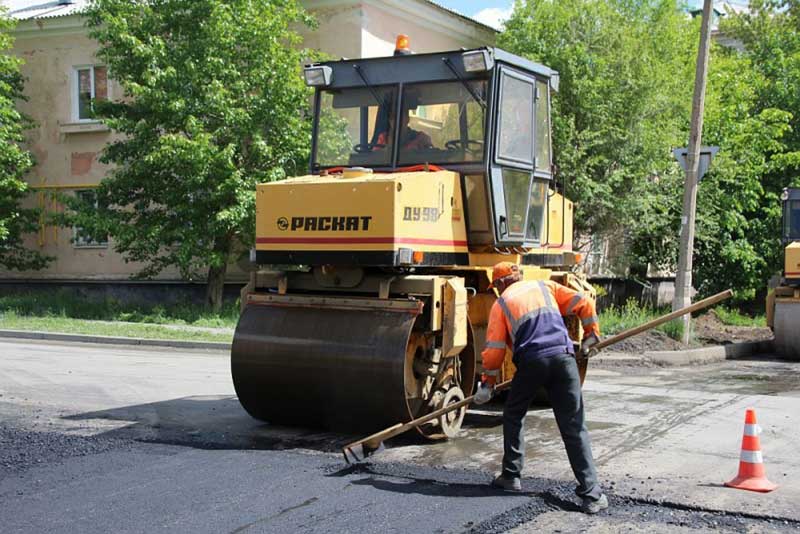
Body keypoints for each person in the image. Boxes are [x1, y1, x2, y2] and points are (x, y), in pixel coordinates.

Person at [473, 261, 608, 514]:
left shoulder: (501, 304)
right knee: (574, 426)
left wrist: (487, 384)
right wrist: (591, 334)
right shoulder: (545, 287)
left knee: (514, 414)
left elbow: (495, 350)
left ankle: (511, 476)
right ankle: (592, 495)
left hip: (532, 362)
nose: (497, 291)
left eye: (497, 286)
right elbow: (585, 303)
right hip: (563, 359)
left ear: (501, 284)